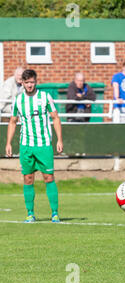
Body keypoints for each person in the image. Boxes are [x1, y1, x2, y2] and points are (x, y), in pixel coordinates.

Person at [4, 69, 63, 223]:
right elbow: (12, 121)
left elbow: (55, 118)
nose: (30, 85)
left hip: (43, 145)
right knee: (28, 178)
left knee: (48, 177)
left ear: (36, 82)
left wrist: (59, 139)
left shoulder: (45, 97)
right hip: (26, 145)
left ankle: (55, 213)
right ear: (22, 83)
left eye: (32, 82)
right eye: (27, 82)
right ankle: (30, 213)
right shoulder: (18, 100)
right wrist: (8, 143)